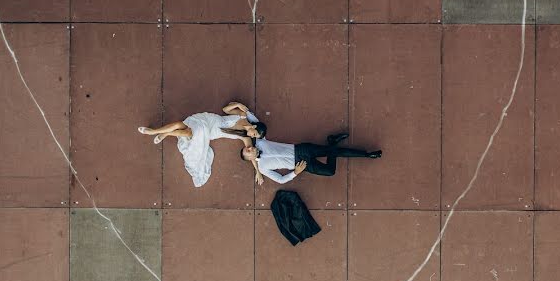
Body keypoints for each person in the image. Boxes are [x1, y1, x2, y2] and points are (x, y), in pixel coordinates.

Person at [138, 102, 266, 187]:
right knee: (181, 126)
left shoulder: (245, 139)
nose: (252, 136)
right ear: (254, 126)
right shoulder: (242, 116)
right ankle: (154, 132)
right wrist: (238, 104)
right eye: (254, 134)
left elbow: (253, 157)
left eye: (254, 137)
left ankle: (165, 134)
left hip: (210, 133)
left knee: (189, 131)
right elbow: (225, 109)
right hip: (210, 120)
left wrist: (258, 171)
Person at [241, 132, 381, 185]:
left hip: (301, 149)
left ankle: (367, 154)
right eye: (248, 152)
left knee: (335, 152)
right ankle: (332, 142)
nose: (249, 148)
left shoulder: (260, 141)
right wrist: (295, 172)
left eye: (247, 147)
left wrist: (243, 110)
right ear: (250, 159)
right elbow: (280, 180)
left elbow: (247, 131)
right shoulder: (263, 167)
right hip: (301, 164)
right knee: (330, 171)